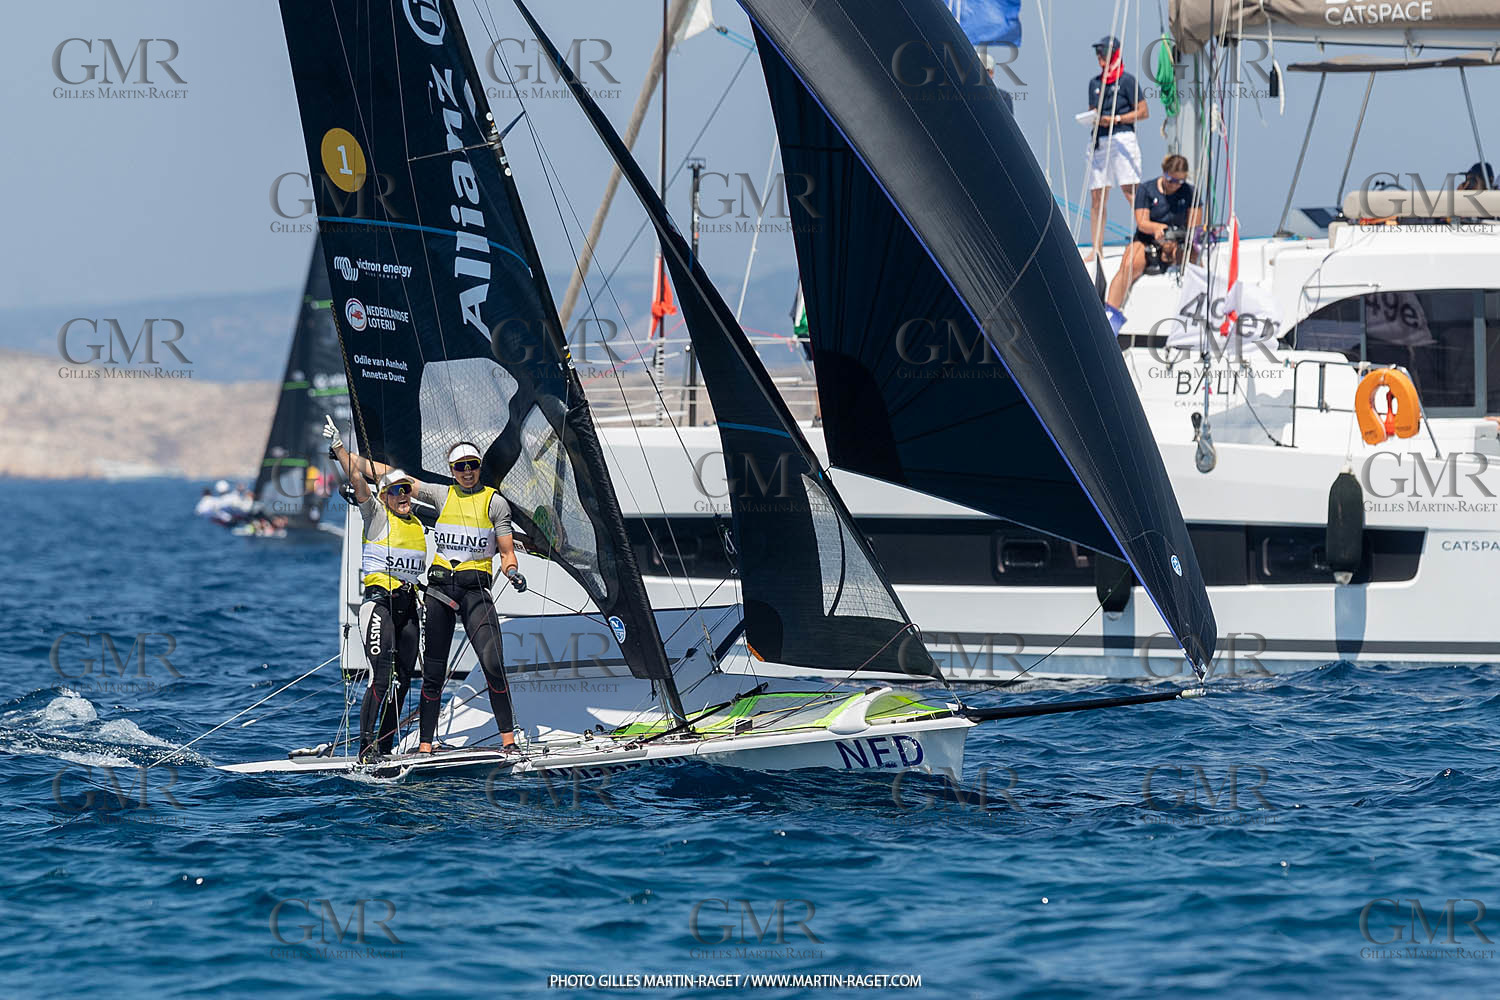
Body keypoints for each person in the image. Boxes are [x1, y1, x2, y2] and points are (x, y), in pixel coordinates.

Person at [322, 417, 527, 756]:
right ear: (451, 469)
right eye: (460, 466)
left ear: (479, 467)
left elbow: (506, 553)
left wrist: (513, 571)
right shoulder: (429, 498)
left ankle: (508, 743)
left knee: (491, 665)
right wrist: (342, 452)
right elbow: (377, 476)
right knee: (421, 675)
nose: (467, 471)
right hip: (431, 594)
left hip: (469, 593)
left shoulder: (484, 504)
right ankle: (412, 747)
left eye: (472, 465)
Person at [326, 423, 426, 762]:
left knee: (404, 682)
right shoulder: (376, 514)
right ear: (384, 496)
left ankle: (385, 745)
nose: (402, 496)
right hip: (378, 605)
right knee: (381, 678)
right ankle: (366, 748)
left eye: (406, 491)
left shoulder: (418, 522)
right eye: (395, 491)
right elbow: (357, 481)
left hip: (408, 608)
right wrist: (341, 450)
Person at [1107, 153, 1200, 311]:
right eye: (1171, 180)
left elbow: (1194, 226)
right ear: (1164, 173)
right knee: (1129, 264)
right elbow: (1142, 223)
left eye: (1180, 181)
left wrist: (1177, 238)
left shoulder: (1189, 192)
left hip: (1176, 241)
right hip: (1147, 240)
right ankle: (1110, 313)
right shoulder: (1147, 189)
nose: (1175, 185)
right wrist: (1157, 229)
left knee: (1194, 259)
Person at [1084, 35, 1148, 264]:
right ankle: (1096, 249)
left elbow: (1143, 111)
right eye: (1098, 53)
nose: (1100, 57)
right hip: (1100, 140)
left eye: (1104, 53)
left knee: (1130, 189)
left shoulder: (1128, 81)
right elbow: (1093, 110)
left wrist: (1116, 118)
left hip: (1122, 137)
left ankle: (1148, 235)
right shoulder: (1094, 83)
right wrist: (1095, 119)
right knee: (1097, 194)